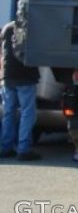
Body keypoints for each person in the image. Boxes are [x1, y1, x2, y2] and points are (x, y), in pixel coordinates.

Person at [0, 21, 41, 161]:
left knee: (8, 112)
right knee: (27, 112)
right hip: (25, 75)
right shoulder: (31, 27)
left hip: (7, 74)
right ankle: (24, 149)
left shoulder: (7, 27)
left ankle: (5, 147)